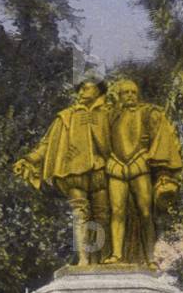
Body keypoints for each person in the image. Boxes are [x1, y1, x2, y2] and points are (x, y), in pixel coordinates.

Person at [13, 79, 111, 266]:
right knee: (79, 212)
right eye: (80, 89)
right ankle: (83, 258)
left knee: (102, 214)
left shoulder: (109, 114)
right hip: (73, 171)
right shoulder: (66, 116)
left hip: (101, 170)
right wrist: (29, 159)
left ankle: (102, 258)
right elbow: (46, 144)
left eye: (86, 88)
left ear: (98, 91)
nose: (81, 92)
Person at [104, 79, 182, 268]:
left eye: (133, 92)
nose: (130, 96)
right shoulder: (110, 116)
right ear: (119, 96)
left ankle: (150, 256)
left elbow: (162, 138)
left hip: (140, 165)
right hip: (116, 165)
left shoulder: (148, 113)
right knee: (116, 212)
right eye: (126, 93)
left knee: (146, 212)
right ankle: (116, 254)